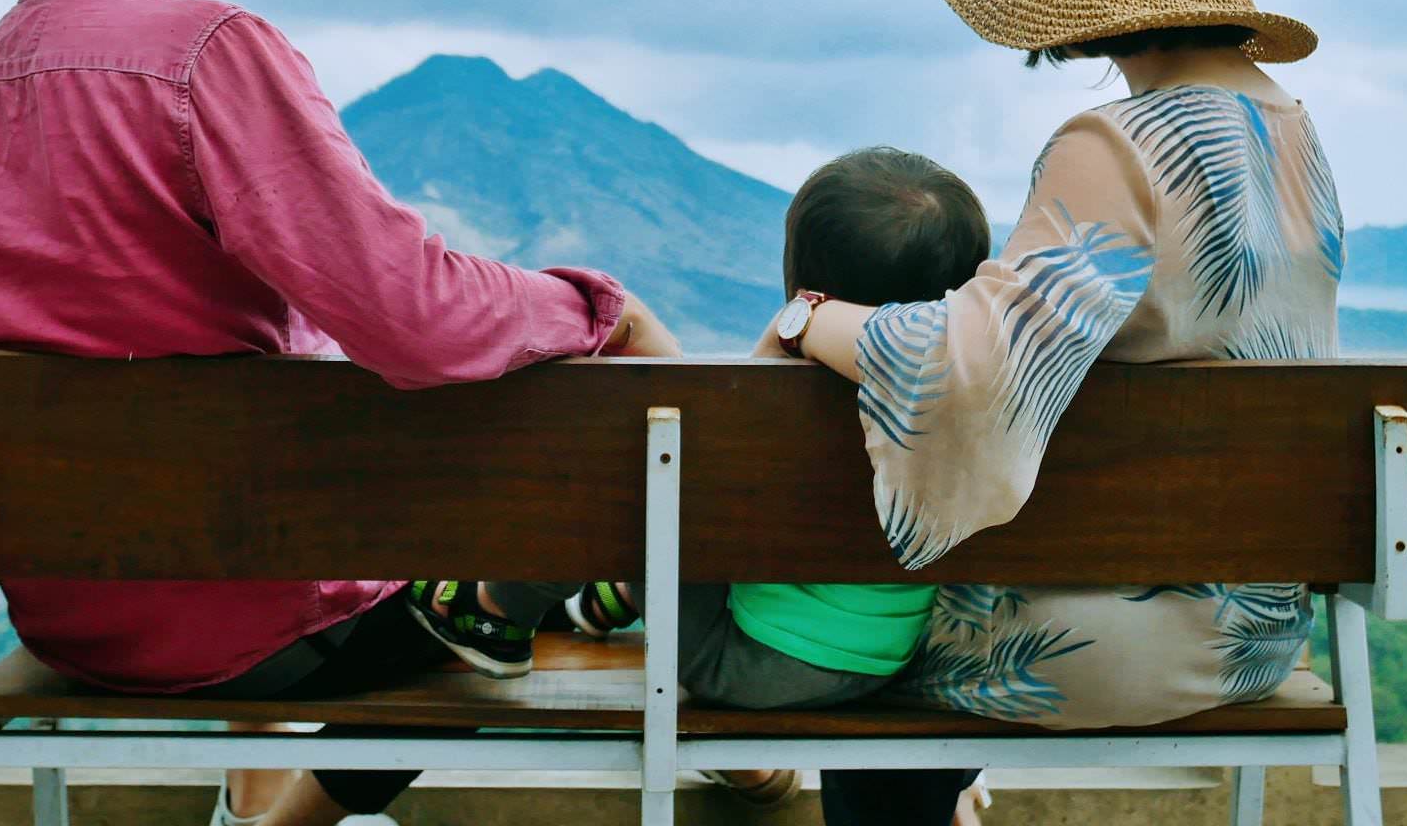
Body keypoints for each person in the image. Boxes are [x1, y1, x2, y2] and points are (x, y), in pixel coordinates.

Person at [0, 0, 680, 826]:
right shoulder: (208, 57)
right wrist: (595, 308)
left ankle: (269, 804)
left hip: (69, 619)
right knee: (551, 479)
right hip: (260, 625)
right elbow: (417, 314)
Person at [763, 0, 1342, 826]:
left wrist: (814, 320)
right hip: (1250, 633)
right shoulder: (1293, 136)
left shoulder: (1114, 147)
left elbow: (971, 374)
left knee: (859, 643)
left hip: (1102, 646)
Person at [409, 146, 990, 812]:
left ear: (805, 287)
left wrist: (781, 337)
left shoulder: (770, 406)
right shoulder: (961, 414)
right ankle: (605, 601)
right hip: (882, 664)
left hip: (738, 666)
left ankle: (496, 611)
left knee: (645, 481)